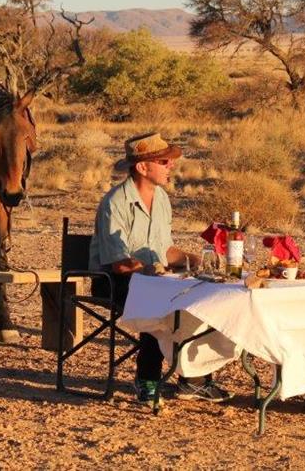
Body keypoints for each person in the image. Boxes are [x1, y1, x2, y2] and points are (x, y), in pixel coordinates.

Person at [89, 132, 232, 406]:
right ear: (143, 167)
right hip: (113, 280)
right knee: (161, 305)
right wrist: (153, 270)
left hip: (155, 280)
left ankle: (194, 378)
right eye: (164, 161)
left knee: (205, 298)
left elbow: (165, 250)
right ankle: (147, 378)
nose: (171, 166)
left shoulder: (163, 199)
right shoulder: (115, 203)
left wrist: (197, 259)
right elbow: (119, 263)